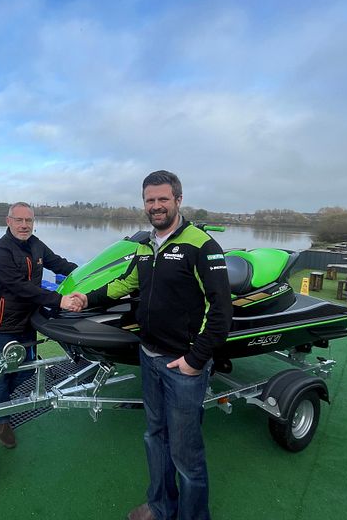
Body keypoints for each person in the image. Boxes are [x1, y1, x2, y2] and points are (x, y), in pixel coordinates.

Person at [71, 171, 232, 520]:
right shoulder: (145, 246)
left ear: (178, 199)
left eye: (163, 199)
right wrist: (86, 296)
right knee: (154, 437)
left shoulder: (201, 245)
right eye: (150, 200)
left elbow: (220, 311)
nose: (156, 206)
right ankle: (161, 507)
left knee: (186, 453)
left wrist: (195, 359)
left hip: (183, 366)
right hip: (149, 357)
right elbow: (126, 282)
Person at [0, 201, 81, 449]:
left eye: (29, 221)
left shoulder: (36, 246)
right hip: (1, 323)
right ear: (9, 221)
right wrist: (60, 301)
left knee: (26, 369)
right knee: (2, 373)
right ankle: (3, 422)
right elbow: (21, 288)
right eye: (19, 220)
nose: (24, 225)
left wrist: (87, 275)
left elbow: (59, 263)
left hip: (28, 319)